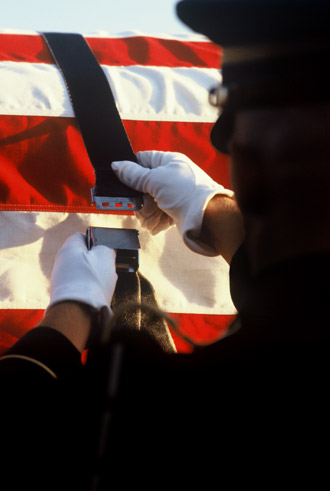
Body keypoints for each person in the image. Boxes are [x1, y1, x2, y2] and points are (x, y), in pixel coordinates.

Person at [1, 0, 330, 488]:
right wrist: (210, 210)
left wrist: (70, 311)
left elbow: (26, 439)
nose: (222, 138)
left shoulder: (177, 414)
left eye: (230, 101)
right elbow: (300, 300)